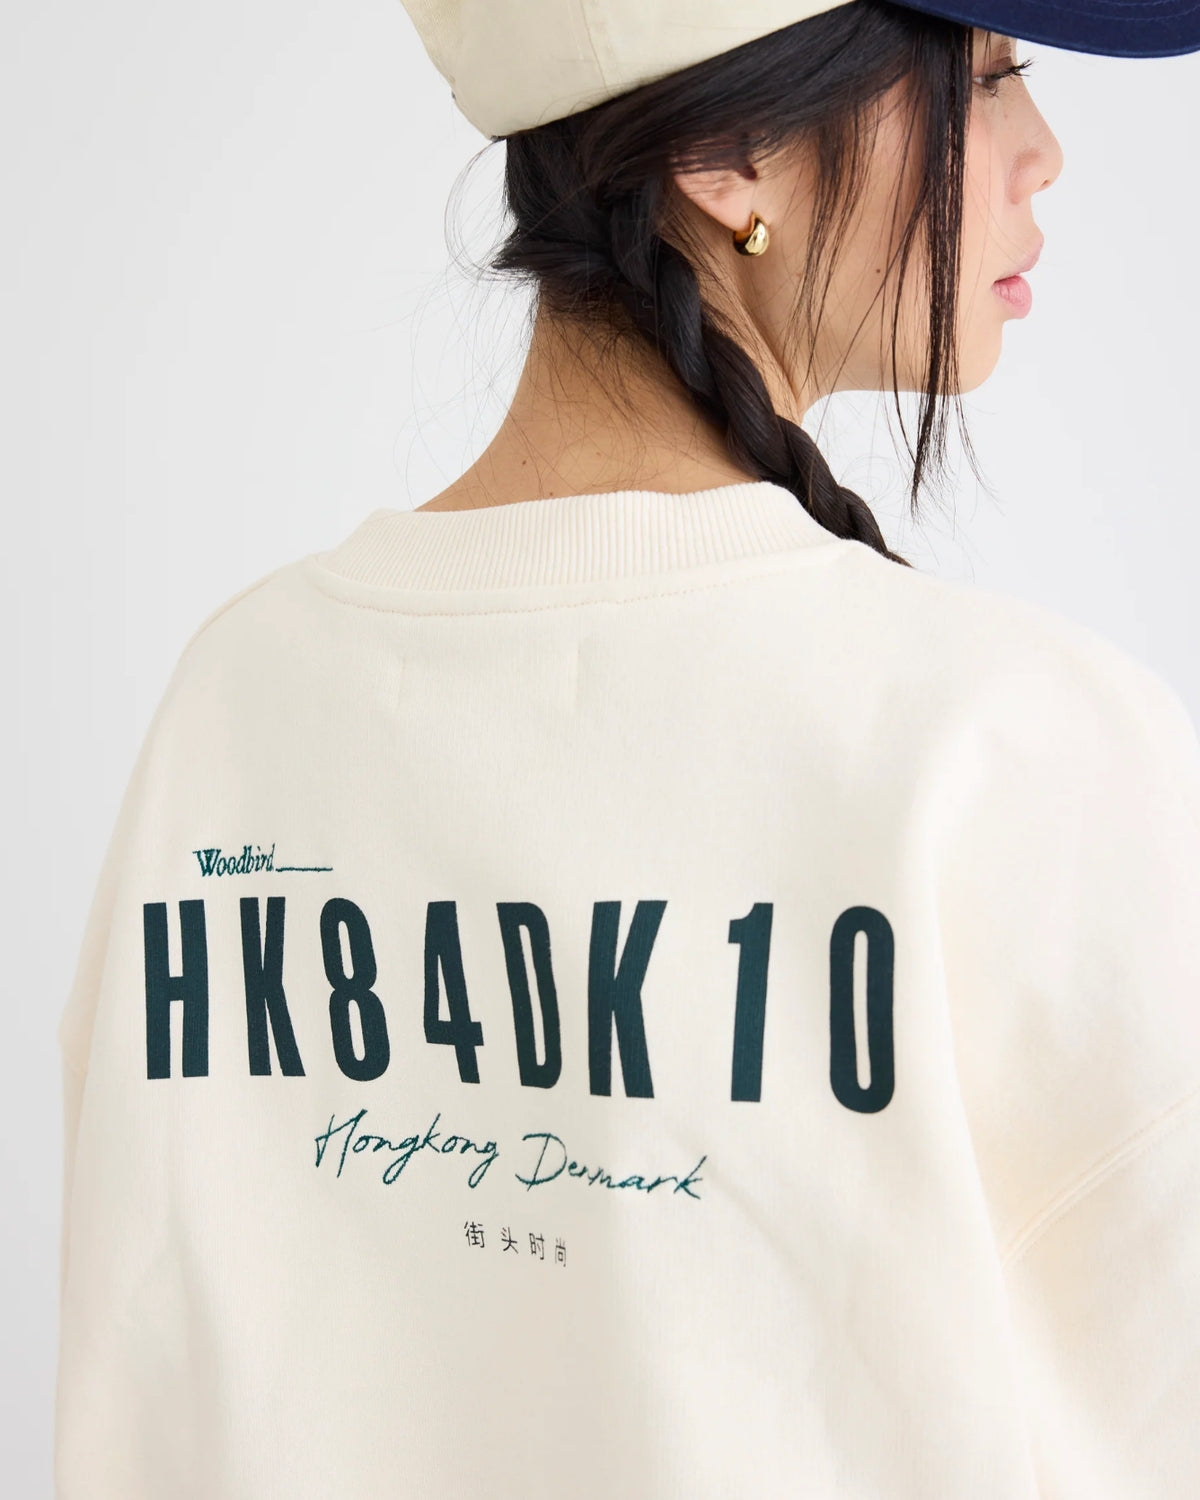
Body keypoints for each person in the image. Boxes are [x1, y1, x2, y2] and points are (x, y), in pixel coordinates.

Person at [55, 2, 1200, 1496]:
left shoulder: (233, 708)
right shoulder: (1017, 752)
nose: (1042, 151)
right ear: (729, 151)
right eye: (984, 77)